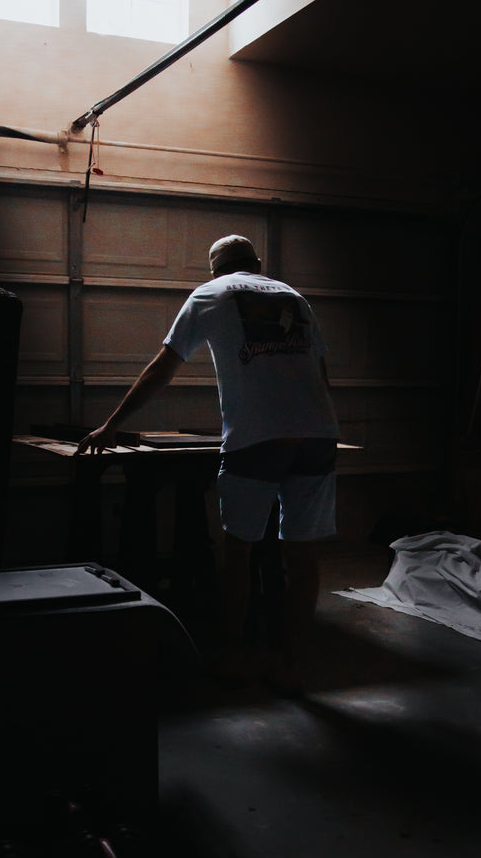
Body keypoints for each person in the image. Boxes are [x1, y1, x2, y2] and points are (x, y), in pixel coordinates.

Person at [77, 234, 340, 689]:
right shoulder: (295, 298)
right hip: (318, 433)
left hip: (257, 437)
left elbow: (163, 365)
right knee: (303, 555)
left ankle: (231, 654)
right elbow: (321, 375)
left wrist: (113, 423)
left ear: (215, 270)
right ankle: (295, 661)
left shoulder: (209, 295)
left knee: (238, 552)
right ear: (257, 264)